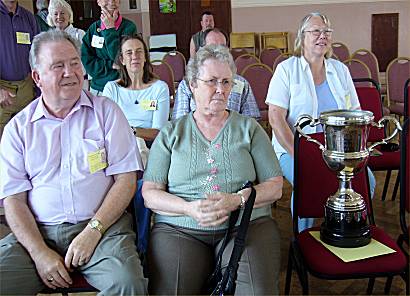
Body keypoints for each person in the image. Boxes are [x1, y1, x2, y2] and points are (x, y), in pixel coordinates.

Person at [0, 30, 147, 295]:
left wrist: (94, 230)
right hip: (38, 232)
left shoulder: (106, 113)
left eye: (75, 63)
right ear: (37, 77)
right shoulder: (18, 129)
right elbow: (13, 200)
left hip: (102, 227)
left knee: (127, 283)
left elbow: (126, 179)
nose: (70, 72)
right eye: (58, 66)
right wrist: (39, 252)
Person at [143, 44, 283, 295]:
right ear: (192, 84)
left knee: (257, 292)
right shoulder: (171, 133)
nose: (221, 89)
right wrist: (188, 208)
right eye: (212, 81)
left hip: (246, 226)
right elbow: (150, 193)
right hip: (179, 228)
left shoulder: (249, 129)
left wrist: (238, 200)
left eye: (227, 82)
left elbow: (275, 186)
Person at [265, 12, 376, 232]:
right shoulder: (287, 69)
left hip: (336, 148)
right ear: (302, 37)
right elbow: (276, 118)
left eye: (326, 31)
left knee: (367, 182)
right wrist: (301, 156)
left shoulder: (340, 70)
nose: (322, 36)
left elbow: (354, 113)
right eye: (316, 31)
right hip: (294, 147)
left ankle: (338, 225)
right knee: (310, 183)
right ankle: (302, 237)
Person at [103, 35, 170, 166]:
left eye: (139, 51)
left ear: (145, 57)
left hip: (149, 145)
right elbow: (106, 128)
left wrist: (132, 131)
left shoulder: (159, 88)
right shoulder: (112, 89)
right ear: (122, 60)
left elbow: (158, 132)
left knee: (138, 146)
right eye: (129, 53)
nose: (135, 56)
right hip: (117, 145)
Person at [173, 28, 260, 120]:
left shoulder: (241, 84)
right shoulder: (187, 84)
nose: (218, 51)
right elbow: (180, 123)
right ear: (201, 50)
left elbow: (252, 121)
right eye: (212, 47)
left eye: (222, 47)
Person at [0, 0, 40, 139]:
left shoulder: (28, 17)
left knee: (28, 137)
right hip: (2, 90)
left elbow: (38, 52)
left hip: (26, 87)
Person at [81, 0, 137, 95]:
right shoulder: (93, 29)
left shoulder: (129, 27)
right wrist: (110, 65)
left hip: (123, 87)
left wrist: (110, 29)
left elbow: (121, 59)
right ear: (98, 2)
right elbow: (87, 61)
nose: (112, 2)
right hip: (98, 89)